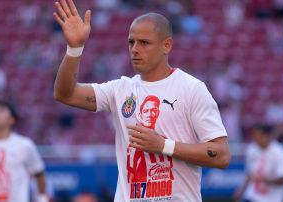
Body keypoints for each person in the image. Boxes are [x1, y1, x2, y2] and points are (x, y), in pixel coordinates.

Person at [52, 0, 230, 201]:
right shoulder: (120, 89)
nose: (135, 49)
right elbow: (65, 94)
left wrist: (163, 145)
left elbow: (221, 155)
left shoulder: (191, 88)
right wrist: (74, 49)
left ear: (167, 45)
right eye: (131, 42)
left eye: (144, 43)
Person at [233, 124, 283, 202]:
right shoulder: (251, 149)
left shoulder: (279, 152)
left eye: (258, 135)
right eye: (254, 135)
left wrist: (262, 180)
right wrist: (241, 190)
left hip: (272, 198)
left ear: (266, 136)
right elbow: (249, 174)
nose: (255, 138)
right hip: (253, 196)